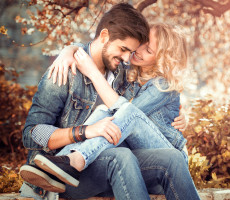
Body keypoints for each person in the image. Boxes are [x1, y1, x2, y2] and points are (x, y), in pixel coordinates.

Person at [19, 3, 199, 200]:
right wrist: (84, 132)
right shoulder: (64, 73)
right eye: (123, 49)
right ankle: (73, 159)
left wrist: (182, 116)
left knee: (160, 155)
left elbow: (138, 112)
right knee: (122, 154)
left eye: (131, 51)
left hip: (110, 165)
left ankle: (78, 159)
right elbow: (32, 133)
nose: (127, 58)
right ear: (104, 36)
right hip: (62, 176)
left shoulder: (122, 73)